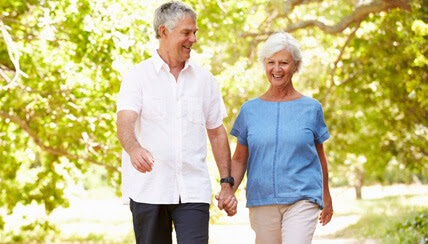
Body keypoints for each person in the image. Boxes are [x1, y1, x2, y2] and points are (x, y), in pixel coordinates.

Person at [116, 1, 237, 243]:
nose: (193, 39)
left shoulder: (205, 80)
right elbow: (125, 122)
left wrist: (226, 183)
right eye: (186, 33)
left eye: (195, 32)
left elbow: (217, 133)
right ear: (163, 32)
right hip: (148, 190)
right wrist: (134, 148)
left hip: (193, 191)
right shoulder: (137, 76)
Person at [229, 32, 333, 244]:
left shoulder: (311, 108)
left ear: (295, 66)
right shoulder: (249, 110)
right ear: (264, 65)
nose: (277, 69)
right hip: (262, 199)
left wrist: (326, 195)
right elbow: (239, 158)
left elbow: (320, 156)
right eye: (271, 62)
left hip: (303, 198)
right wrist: (228, 190)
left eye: (284, 63)